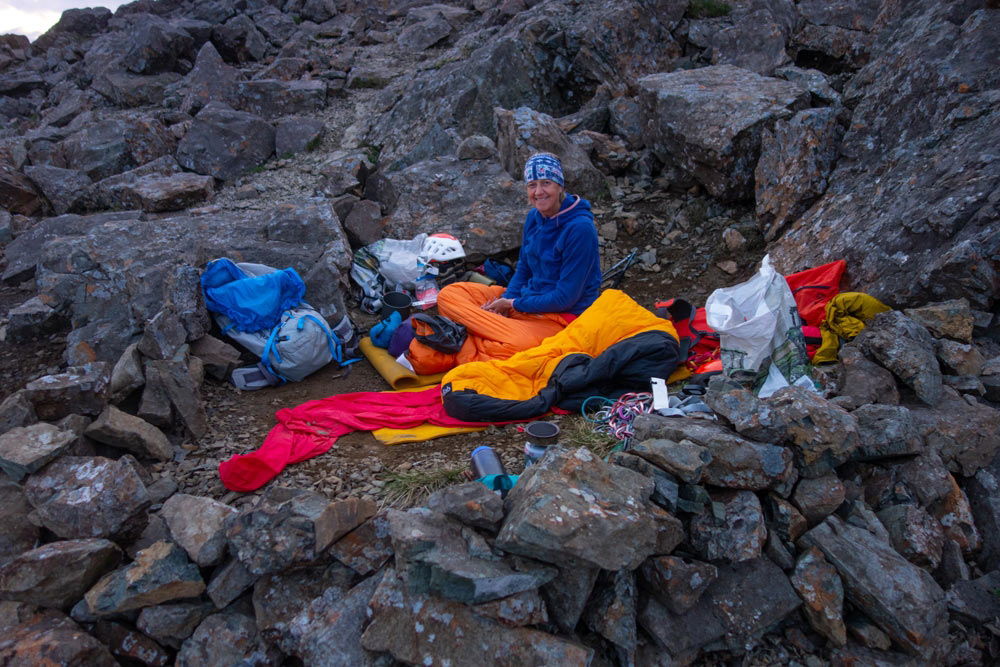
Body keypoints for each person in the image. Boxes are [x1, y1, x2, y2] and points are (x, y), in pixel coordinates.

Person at [407, 152, 602, 373]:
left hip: (560, 318)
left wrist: (511, 305)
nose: (538, 192)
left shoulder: (580, 229)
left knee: (518, 346)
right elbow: (524, 268)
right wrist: (507, 299)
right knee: (449, 295)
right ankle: (488, 332)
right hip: (523, 302)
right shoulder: (534, 218)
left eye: (546, 183)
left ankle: (477, 333)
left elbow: (565, 298)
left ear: (559, 185)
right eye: (532, 185)